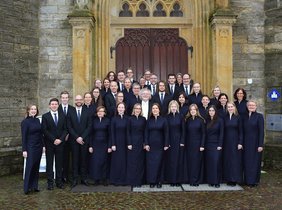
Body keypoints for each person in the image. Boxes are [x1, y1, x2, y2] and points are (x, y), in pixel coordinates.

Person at [42, 98, 67, 190]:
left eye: (56, 104)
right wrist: (54, 139)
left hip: (60, 143)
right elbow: (44, 130)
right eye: (52, 104)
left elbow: (66, 129)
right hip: (50, 143)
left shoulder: (63, 116)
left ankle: (59, 182)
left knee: (59, 164)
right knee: (49, 163)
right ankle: (50, 182)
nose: (54, 105)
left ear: (58, 105)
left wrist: (60, 139)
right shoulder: (45, 116)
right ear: (49, 105)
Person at [67, 95, 92, 188]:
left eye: (80, 99)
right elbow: (69, 126)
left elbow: (89, 126)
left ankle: (84, 178)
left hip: (84, 140)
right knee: (74, 160)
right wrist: (77, 137)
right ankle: (74, 179)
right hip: (74, 140)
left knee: (84, 159)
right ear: (75, 101)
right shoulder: (71, 111)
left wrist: (82, 137)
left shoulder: (87, 111)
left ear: (83, 101)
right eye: (77, 99)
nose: (78, 101)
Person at [144, 103, 169, 188]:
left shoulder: (163, 120)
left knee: (159, 163)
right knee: (151, 164)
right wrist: (146, 144)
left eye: (156, 108)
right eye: (153, 108)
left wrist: (166, 144)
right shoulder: (148, 120)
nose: (155, 110)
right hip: (150, 146)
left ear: (159, 110)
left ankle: (159, 181)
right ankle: (152, 181)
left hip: (160, 145)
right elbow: (146, 133)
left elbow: (166, 133)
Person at [21, 104, 44, 194]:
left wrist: (43, 146)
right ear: (28, 110)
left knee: (36, 167)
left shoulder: (37, 120)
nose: (33, 110)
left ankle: (34, 186)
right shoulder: (25, 122)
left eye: (35, 109)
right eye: (32, 109)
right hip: (30, 147)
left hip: (38, 146)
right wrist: (24, 150)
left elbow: (41, 134)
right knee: (29, 167)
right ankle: (27, 188)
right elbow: (24, 137)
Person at [242, 100, 264, 187]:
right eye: (249, 105)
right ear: (247, 107)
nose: (251, 106)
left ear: (256, 106)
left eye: (253, 105)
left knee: (254, 162)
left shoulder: (259, 116)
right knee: (247, 162)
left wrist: (260, 145)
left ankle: (253, 181)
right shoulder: (244, 117)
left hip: (255, 143)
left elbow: (261, 132)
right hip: (246, 143)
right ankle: (247, 180)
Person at [88, 106, 111, 185]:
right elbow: (90, 134)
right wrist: (90, 146)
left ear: (104, 113)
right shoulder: (93, 121)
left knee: (104, 161)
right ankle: (96, 179)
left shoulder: (108, 120)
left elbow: (110, 134)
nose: (100, 113)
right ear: (97, 113)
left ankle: (104, 179)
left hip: (105, 144)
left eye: (102, 111)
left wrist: (109, 146)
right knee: (95, 162)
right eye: (99, 111)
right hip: (95, 144)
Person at [184, 104, 206, 186]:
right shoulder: (187, 120)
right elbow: (185, 133)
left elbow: (204, 134)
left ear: (197, 111)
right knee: (190, 163)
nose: (192, 111)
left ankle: (196, 181)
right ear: (189, 111)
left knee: (196, 163)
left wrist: (202, 145)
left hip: (198, 145)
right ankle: (190, 180)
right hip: (189, 145)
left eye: (194, 109)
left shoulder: (201, 120)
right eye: (191, 110)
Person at [223, 102, 243, 186]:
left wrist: (240, 142)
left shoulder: (238, 117)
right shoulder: (225, 117)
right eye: (228, 107)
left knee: (234, 161)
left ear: (234, 107)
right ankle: (228, 178)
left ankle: (234, 179)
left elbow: (241, 131)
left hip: (235, 142)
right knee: (227, 160)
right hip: (226, 142)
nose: (230, 108)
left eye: (231, 107)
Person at [165, 100, 185, 186]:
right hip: (170, 142)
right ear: (170, 107)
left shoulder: (181, 116)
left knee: (178, 161)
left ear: (177, 107)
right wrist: (167, 142)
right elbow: (166, 131)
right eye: (172, 106)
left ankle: (177, 180)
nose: (173, 108)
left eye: (175, 106)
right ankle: (171, 180)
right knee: (171, 161)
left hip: (178, 141)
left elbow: (183, 130)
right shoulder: (167, 117)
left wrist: (182, 141)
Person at [126, 103, 146, 187]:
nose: (138, 110)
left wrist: (145, 143)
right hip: (132, 142)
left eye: (139, 109)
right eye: (136, 108)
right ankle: (132, 181)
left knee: (140, 162)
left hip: (141, 141)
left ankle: (139, 181)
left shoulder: (143, 119)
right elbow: (128, 132)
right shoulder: (130, 119)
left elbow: (145, 132)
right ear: (133, 109)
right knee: (132, 162)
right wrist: (129, 143)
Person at [58, 91, 75, 184]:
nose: (65, 99)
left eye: (66, 97)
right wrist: (63, 136)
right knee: (61, 158)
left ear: (68, 98)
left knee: (70, 158)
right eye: (63, 97)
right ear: (61, 98)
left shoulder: (72, 109)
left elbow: (73, 123)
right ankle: (61, 176)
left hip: (71, 137)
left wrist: (69, 134)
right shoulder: (57, 108)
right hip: (61, 138)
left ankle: (69, 176)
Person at [205, 105, 224, 188]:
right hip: (208, 144)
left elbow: (221, 133)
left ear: (215, 111)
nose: (211, 112)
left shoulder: (220, 120)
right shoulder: (207, 120)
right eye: (210, 111)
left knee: (216, 163)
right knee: (210, 163)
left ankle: (217, 181)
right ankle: (211, 181)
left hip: (216, 145)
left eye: (213, 110)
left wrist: (220, 145)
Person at [110, 102, 129, 185]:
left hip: (125, 143)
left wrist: (129, 143)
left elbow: (129, 132)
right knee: (116, 161)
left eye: (122, 107)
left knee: (124, 161)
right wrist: (113, 144)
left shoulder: (127, 119)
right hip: (116, 143)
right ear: (117, 109)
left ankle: (124, 179)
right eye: (119, 107)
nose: (121, 109)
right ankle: (116, 180)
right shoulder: (113, 119)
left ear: (124, 109)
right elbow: (112, 132)